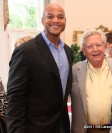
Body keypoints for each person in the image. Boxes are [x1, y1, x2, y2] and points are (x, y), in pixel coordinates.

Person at [7, 3, 73, 133]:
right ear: (42, 20)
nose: (55, 20)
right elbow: (15, 99)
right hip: (34, 128)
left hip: (62, 126)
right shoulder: (26, 51)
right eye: (50, 16)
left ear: (65, 21)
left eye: (60, 17)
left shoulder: (68, 52)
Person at [71, 29, 112, 133]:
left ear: (104, 47)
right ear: (84, 50)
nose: (95, 49)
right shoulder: (75, 70)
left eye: (98, 45)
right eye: (90, 46)